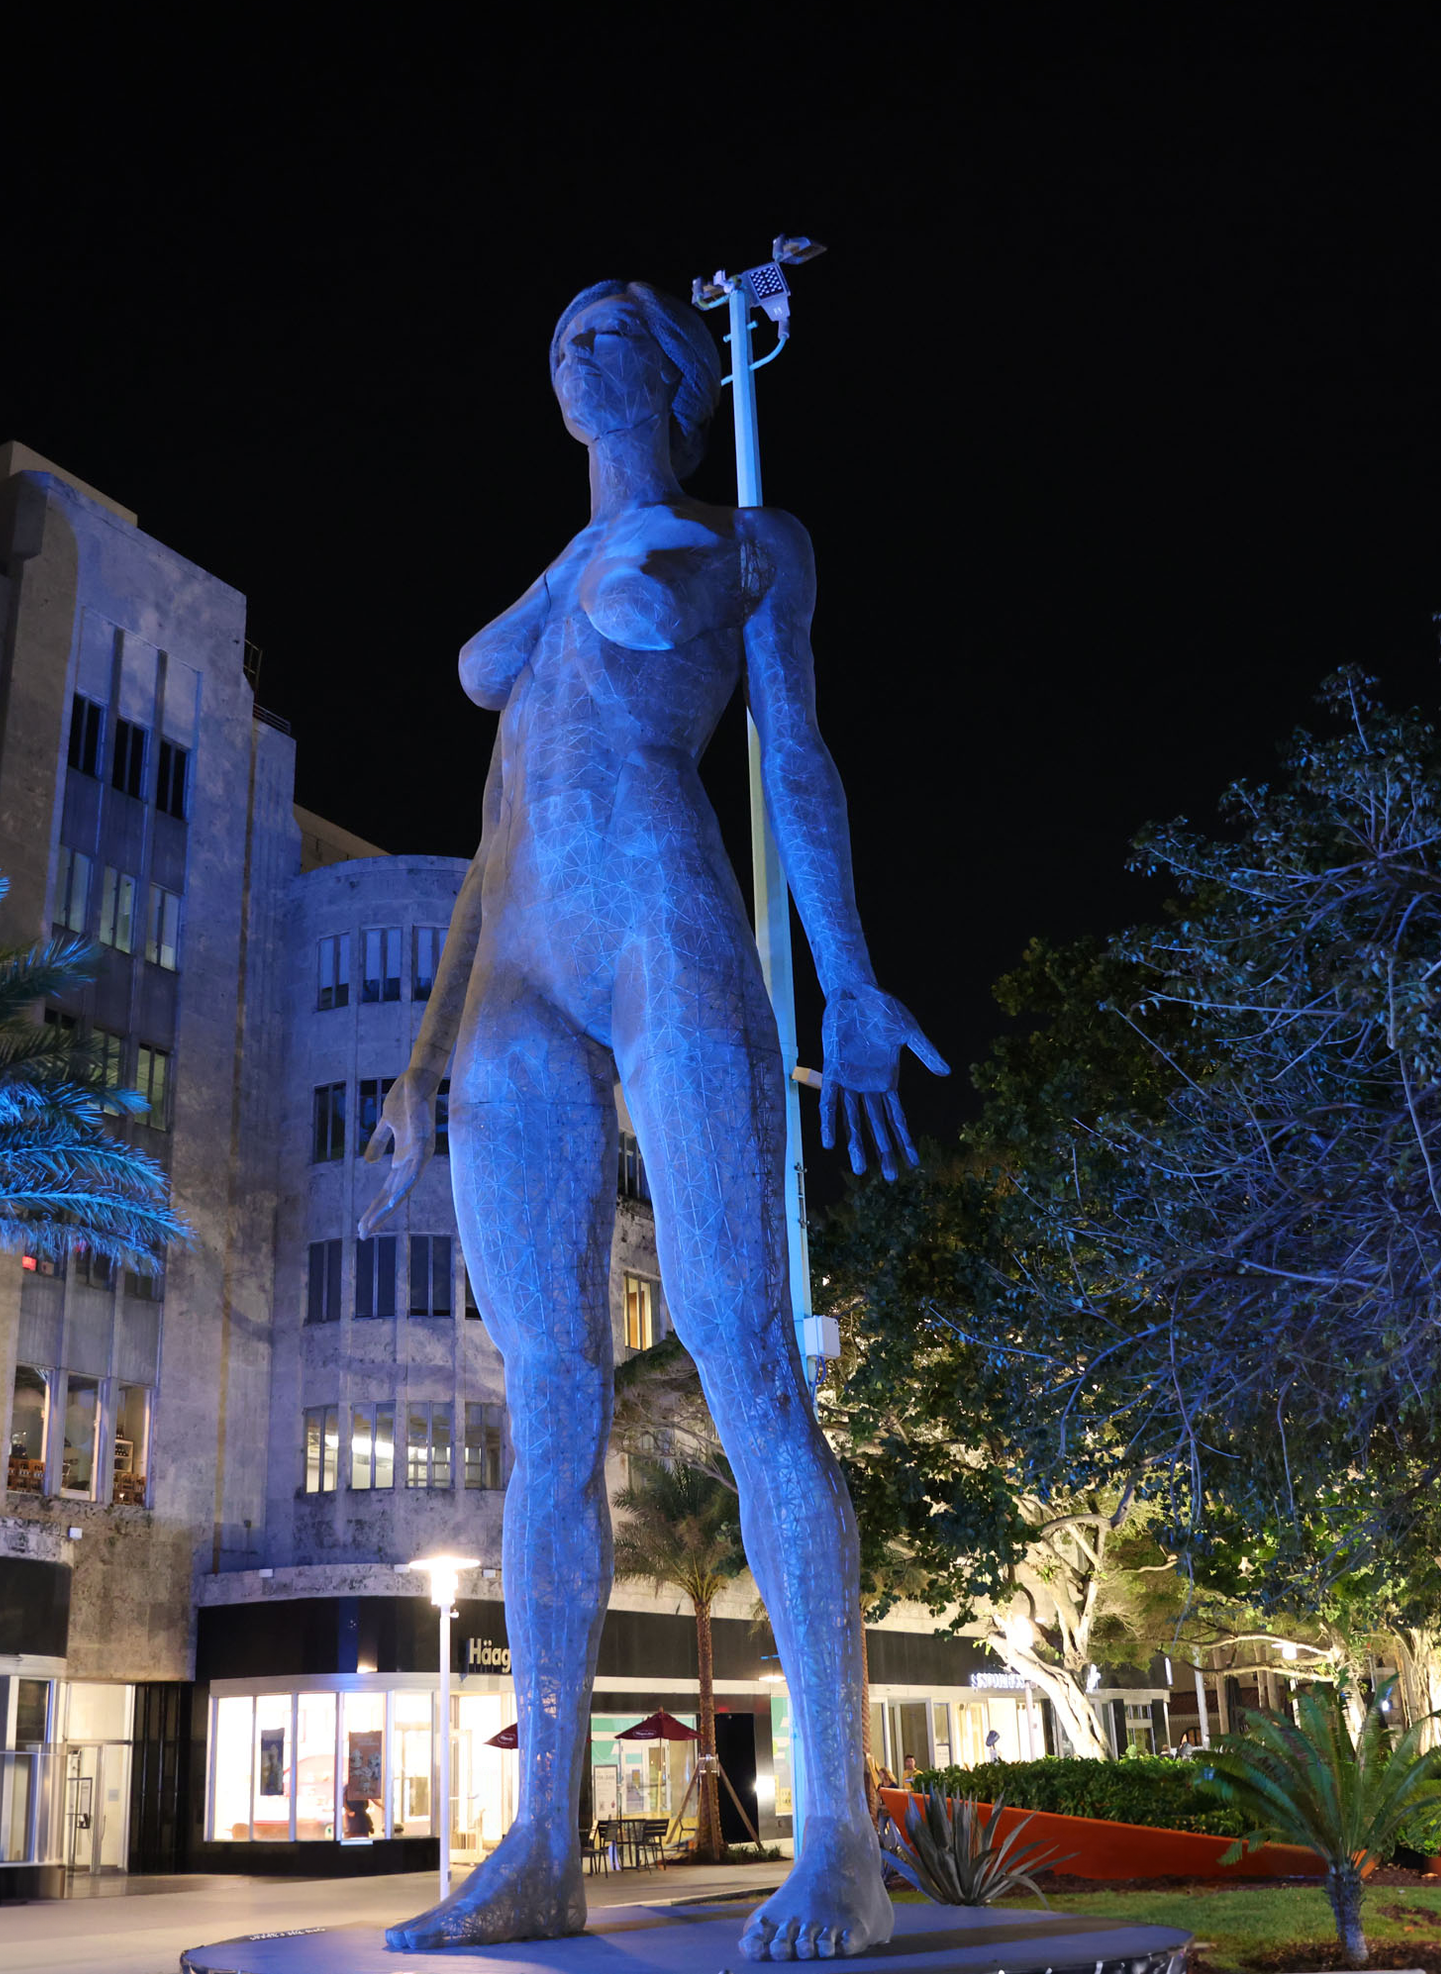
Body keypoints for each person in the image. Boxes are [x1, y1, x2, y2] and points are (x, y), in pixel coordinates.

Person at [363, 280, 945, 1964]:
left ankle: (838, 1834)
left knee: (747, 1355)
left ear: (686, 372)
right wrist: (417, 1056)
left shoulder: (756, 540)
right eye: (564, 327)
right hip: (519, 970)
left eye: (623, 318)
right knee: (548, 1402)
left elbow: (802, 763)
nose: (588, 333)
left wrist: (847, 975)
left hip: (665, 928)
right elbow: (490, 829)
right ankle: (541, 1838)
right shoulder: (553, 605)